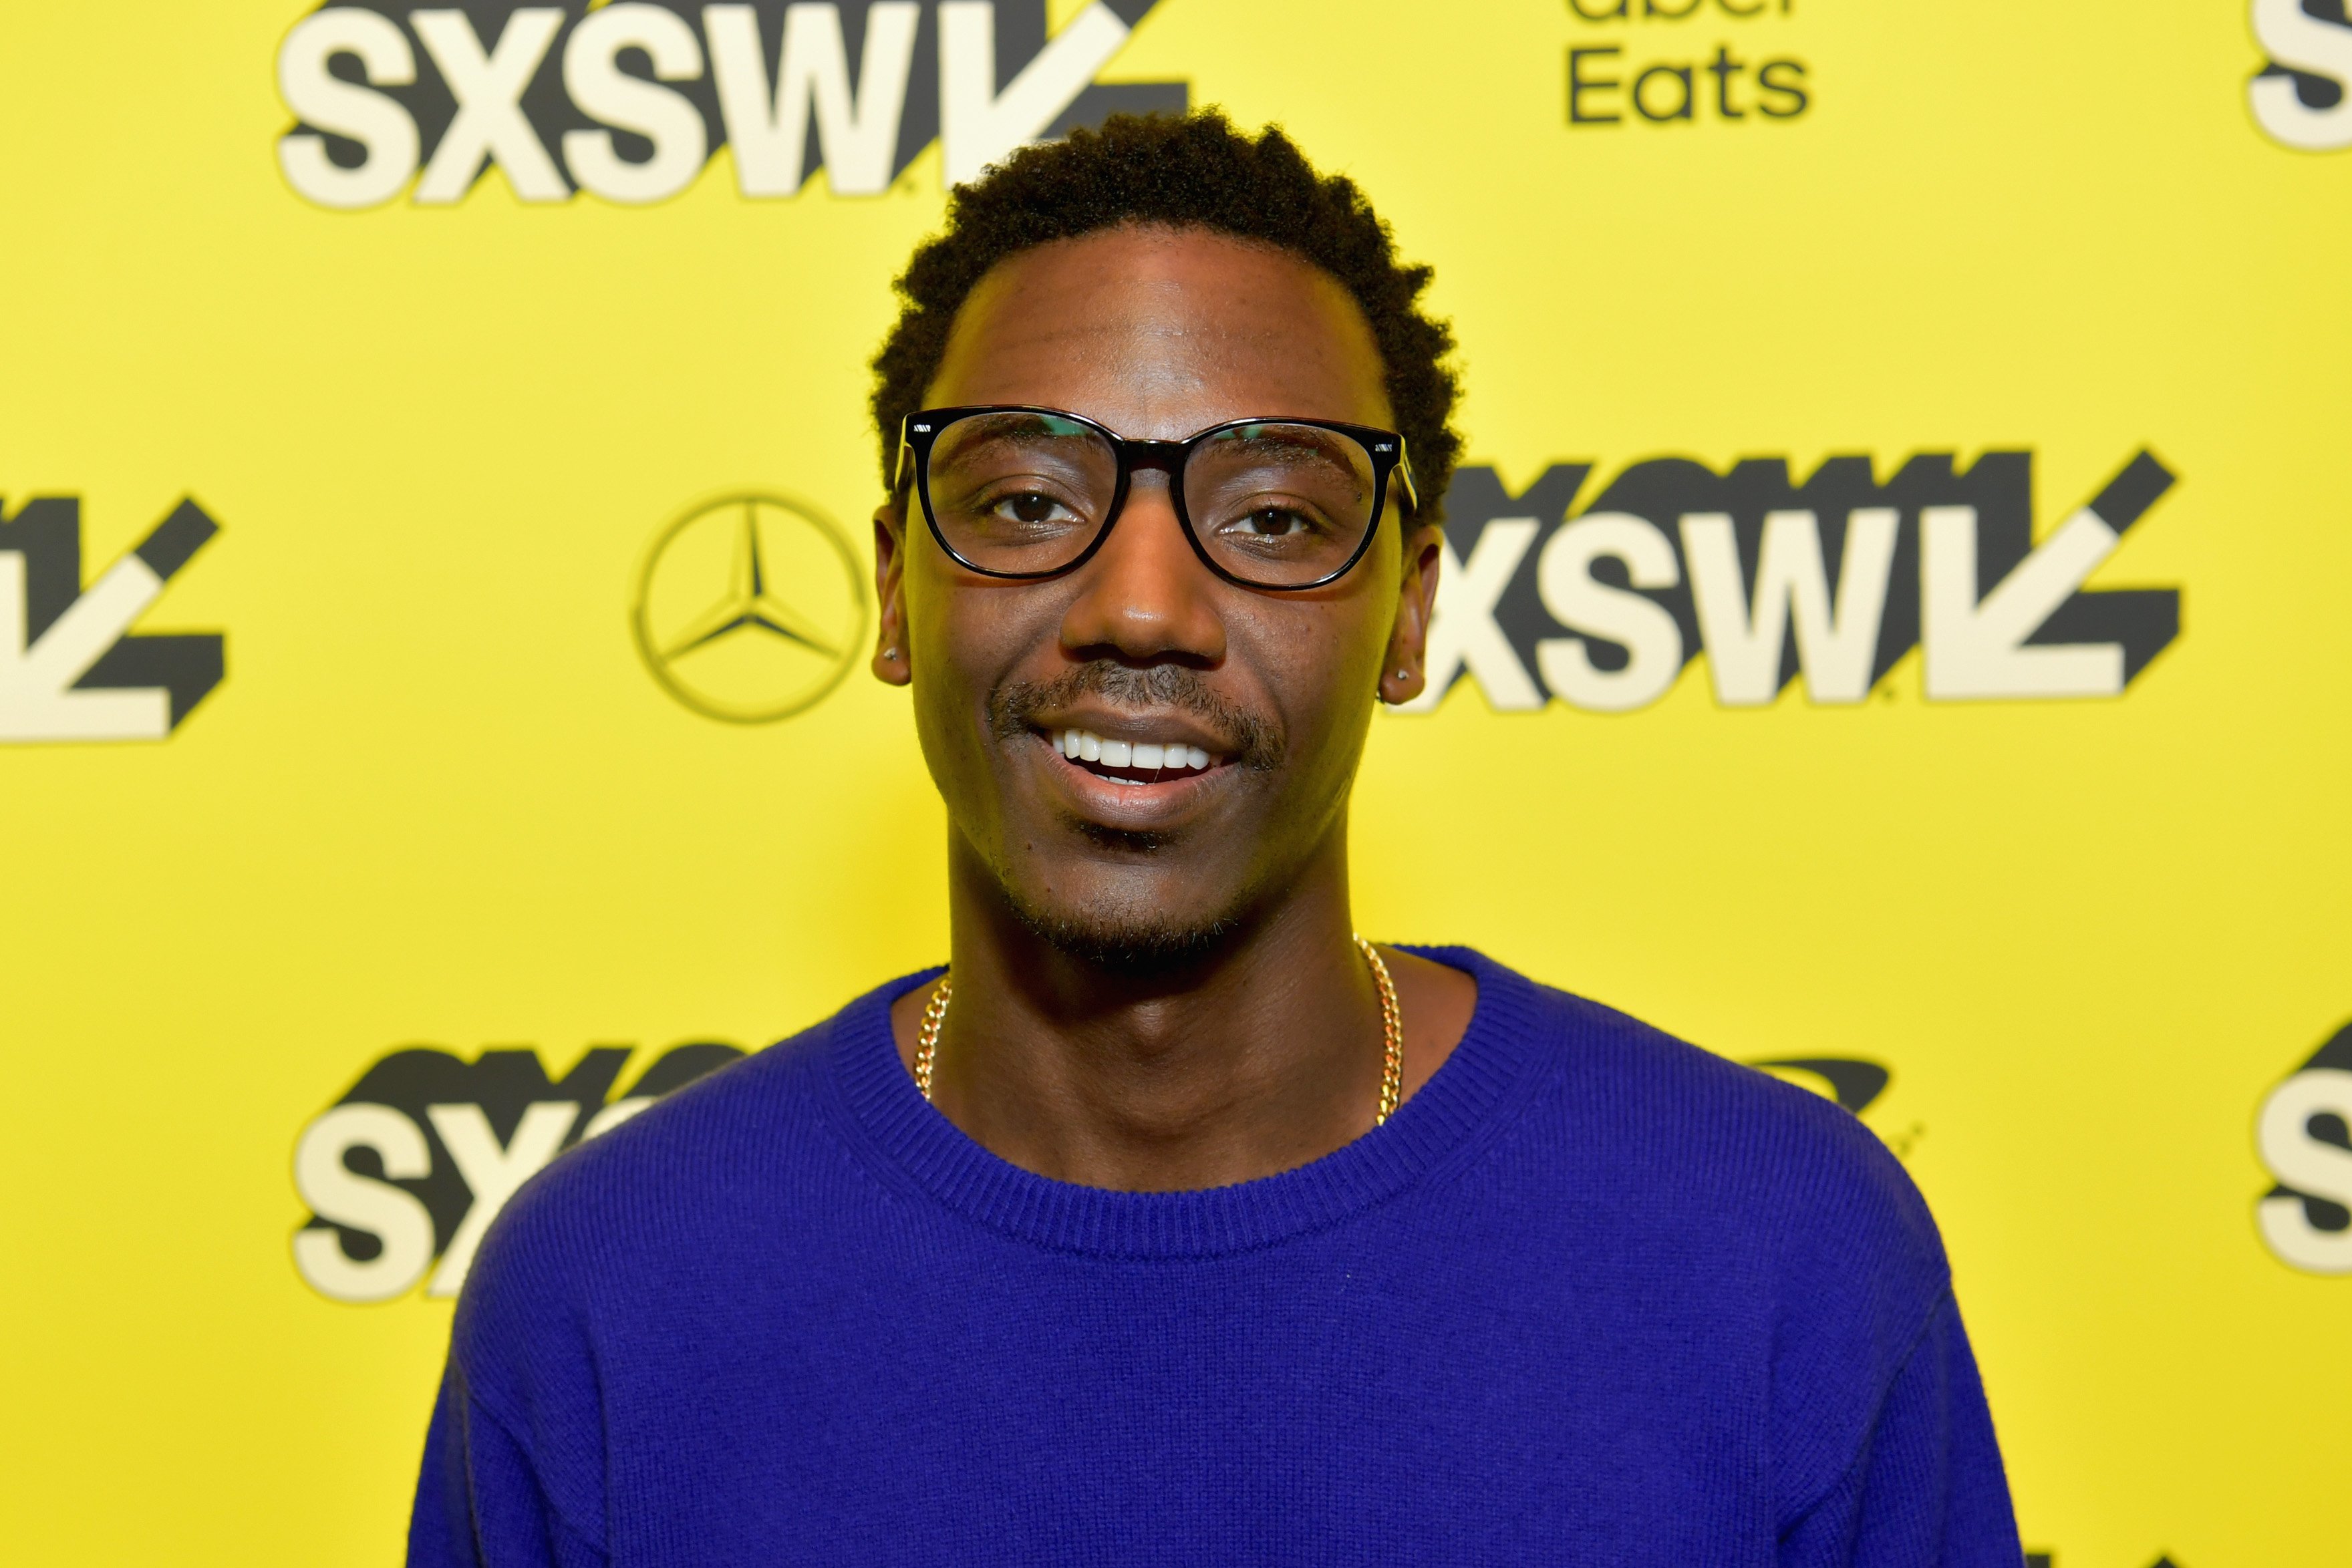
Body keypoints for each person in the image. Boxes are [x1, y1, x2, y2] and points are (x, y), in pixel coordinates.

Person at [409, 111, 2021, 1567]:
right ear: (896, 586)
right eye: (1030, 500)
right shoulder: (607, 1300)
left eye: (1270, 518)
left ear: (1408, 613)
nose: (1140, 605)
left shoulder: (1771, 1258)